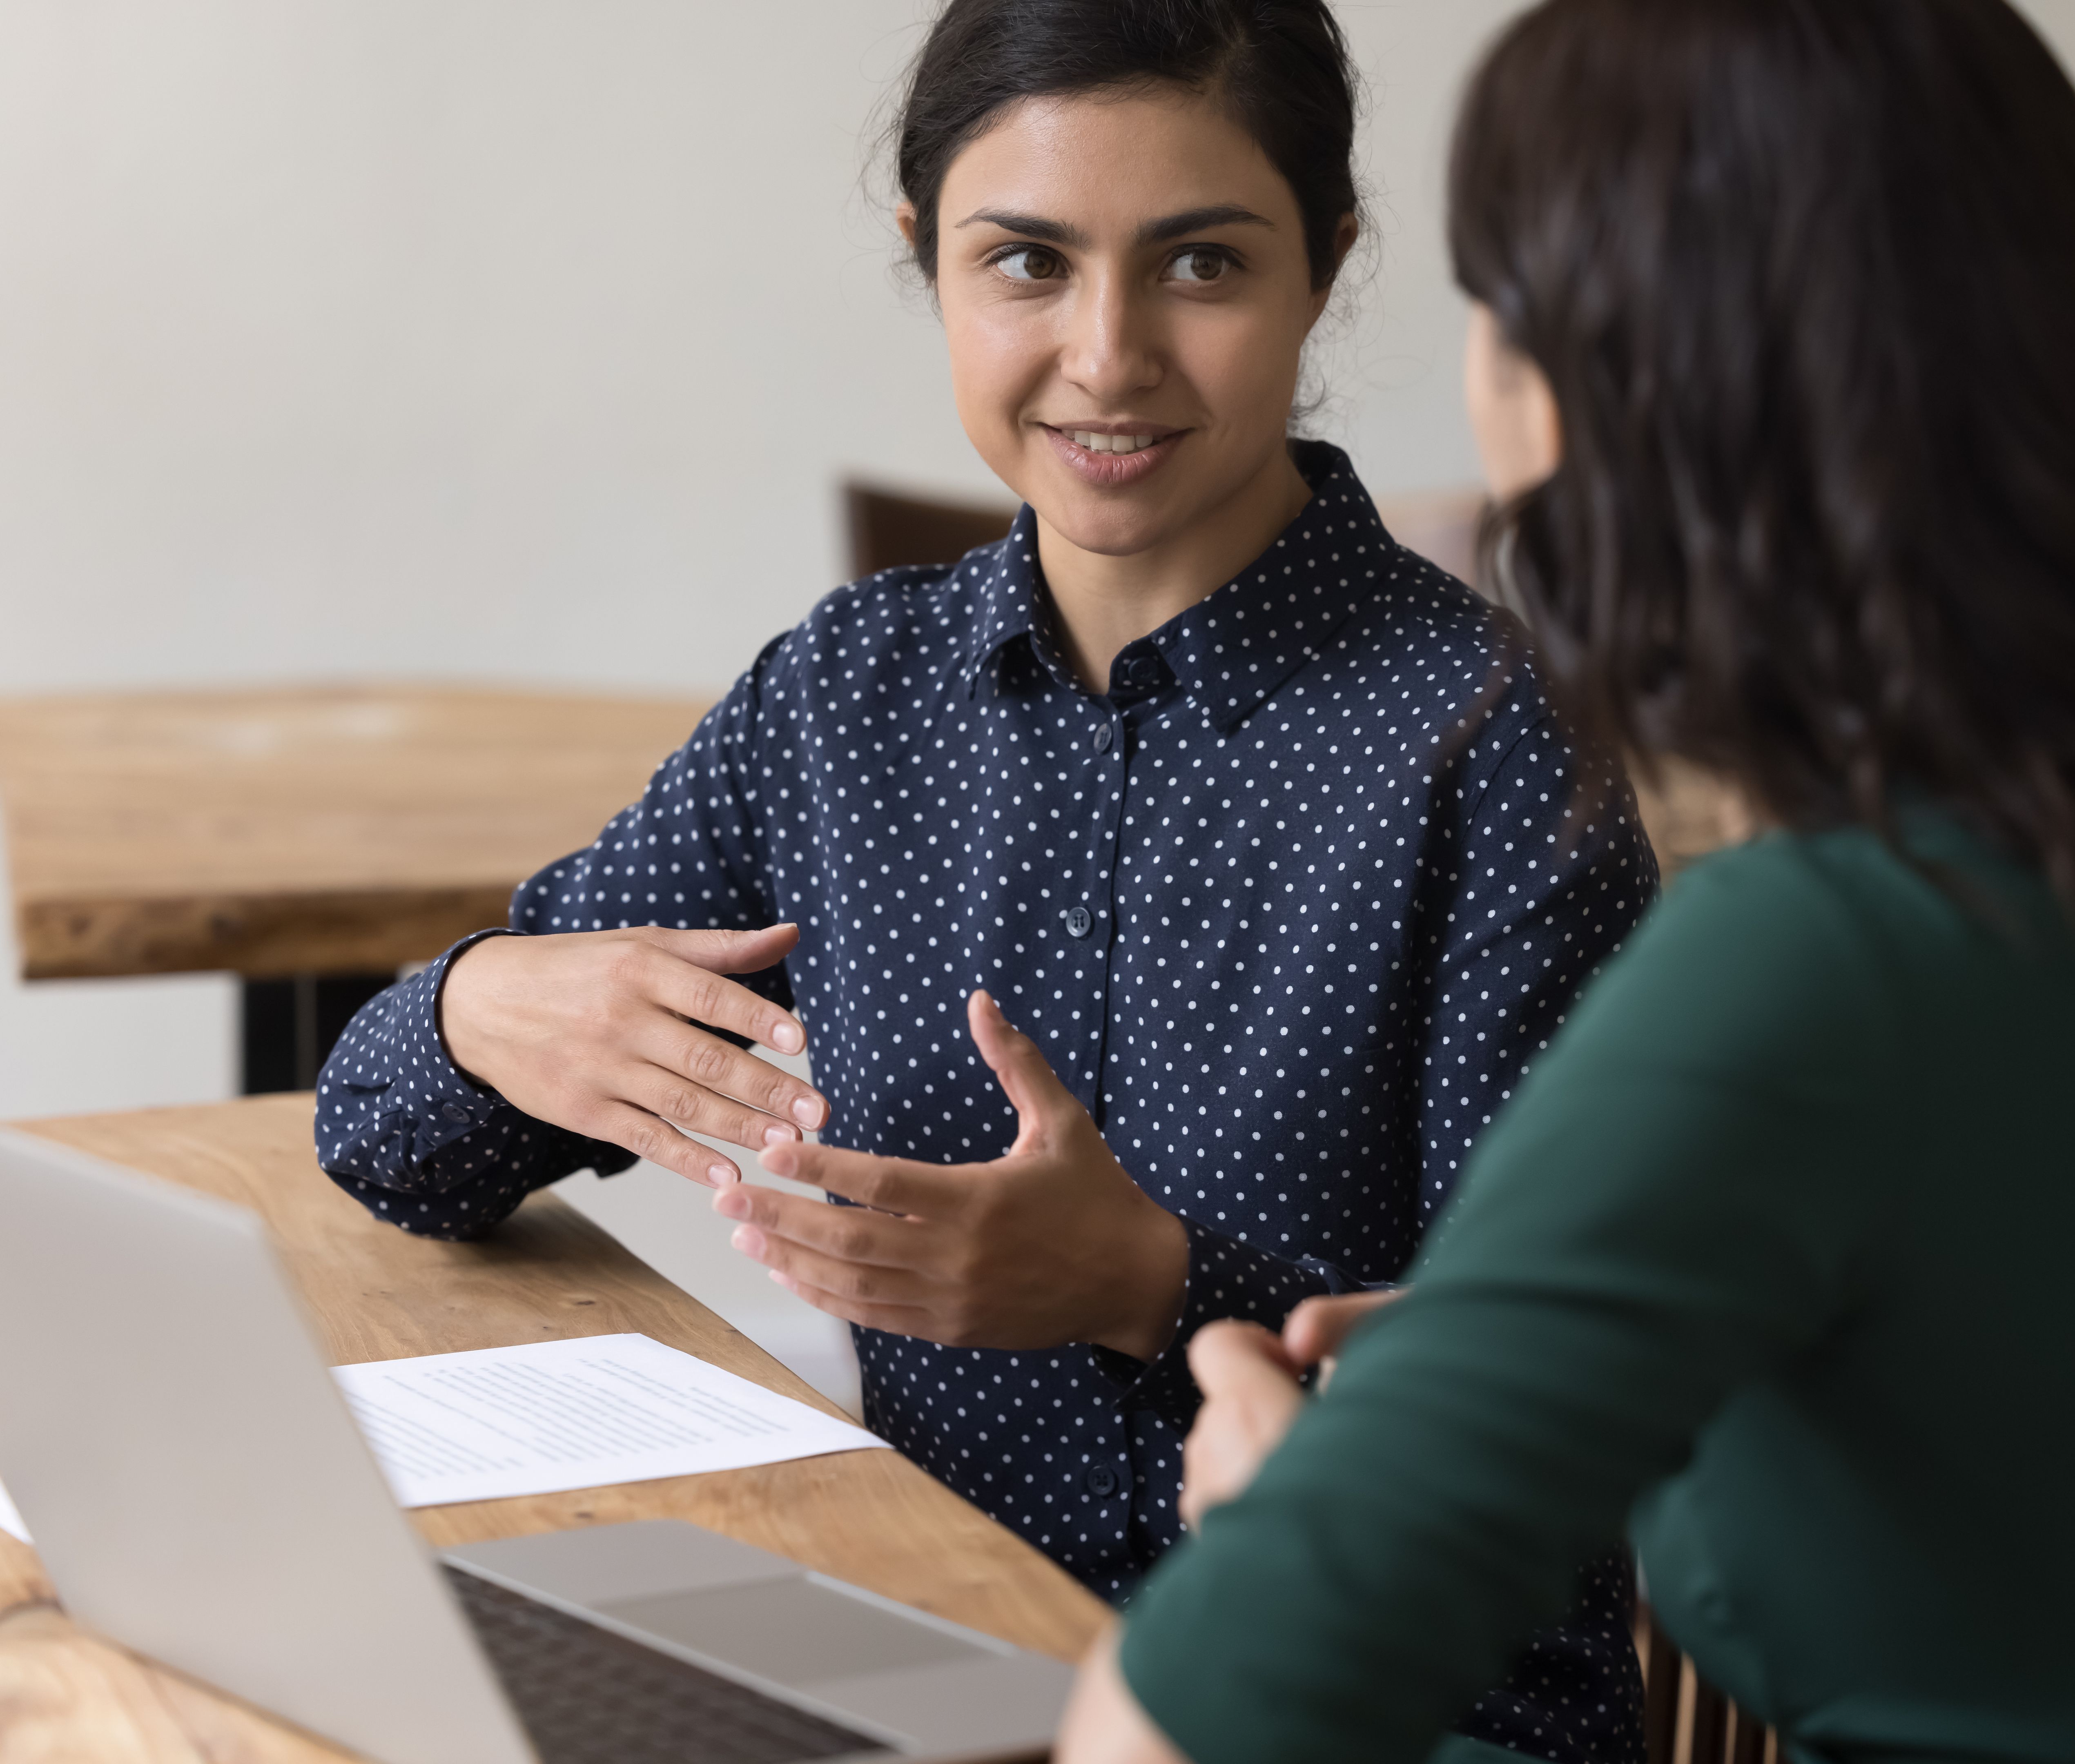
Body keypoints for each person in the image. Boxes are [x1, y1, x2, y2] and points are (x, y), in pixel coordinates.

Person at [1056, 0, 2075, 1760]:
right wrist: (1576, 1333)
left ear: (1588, 395)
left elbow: (1161, 1735)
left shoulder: (1810, 962)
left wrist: (1275, 1521)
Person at [311, 3, 1656, 1760]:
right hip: (941, 1662)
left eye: (1201, 264)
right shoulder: (845, 694)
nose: (1107, 357)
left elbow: (1580, 1408)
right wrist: (482, 1005)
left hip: (1389, 1712)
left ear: (1325, 267)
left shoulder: (1499, 752)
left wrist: (1148, 1287)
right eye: (1026, 262)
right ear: (927, 263)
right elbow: (388, 1150)